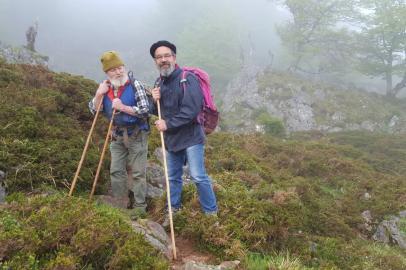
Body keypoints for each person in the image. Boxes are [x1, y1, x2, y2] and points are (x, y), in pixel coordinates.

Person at [149, 40, 218, 217]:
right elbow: (155, 110)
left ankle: (211, 214)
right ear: (155, 61)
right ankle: (174, 209)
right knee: (172, 178)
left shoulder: (188, 78)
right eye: (159, 57)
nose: (163, 59)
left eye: (167, 55)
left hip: (192, 136)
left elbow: (191, 110)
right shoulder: (159, 82)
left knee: (197, 176)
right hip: (172, 140)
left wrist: (167, 124)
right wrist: (153, 99)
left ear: (174, 57)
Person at [89, 51, 150, 212]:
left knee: (138, 173)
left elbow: (145, 110)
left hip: (137, 134)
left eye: (120, 68)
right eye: (113, 70)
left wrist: (123, 107)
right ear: (107, 73)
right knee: (116, 171)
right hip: (116, 135)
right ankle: (120, 205)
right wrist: (98, 94)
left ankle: (139, 207)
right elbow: (94, 110)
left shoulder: (135, 84)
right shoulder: (105, 88)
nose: (118, 72)